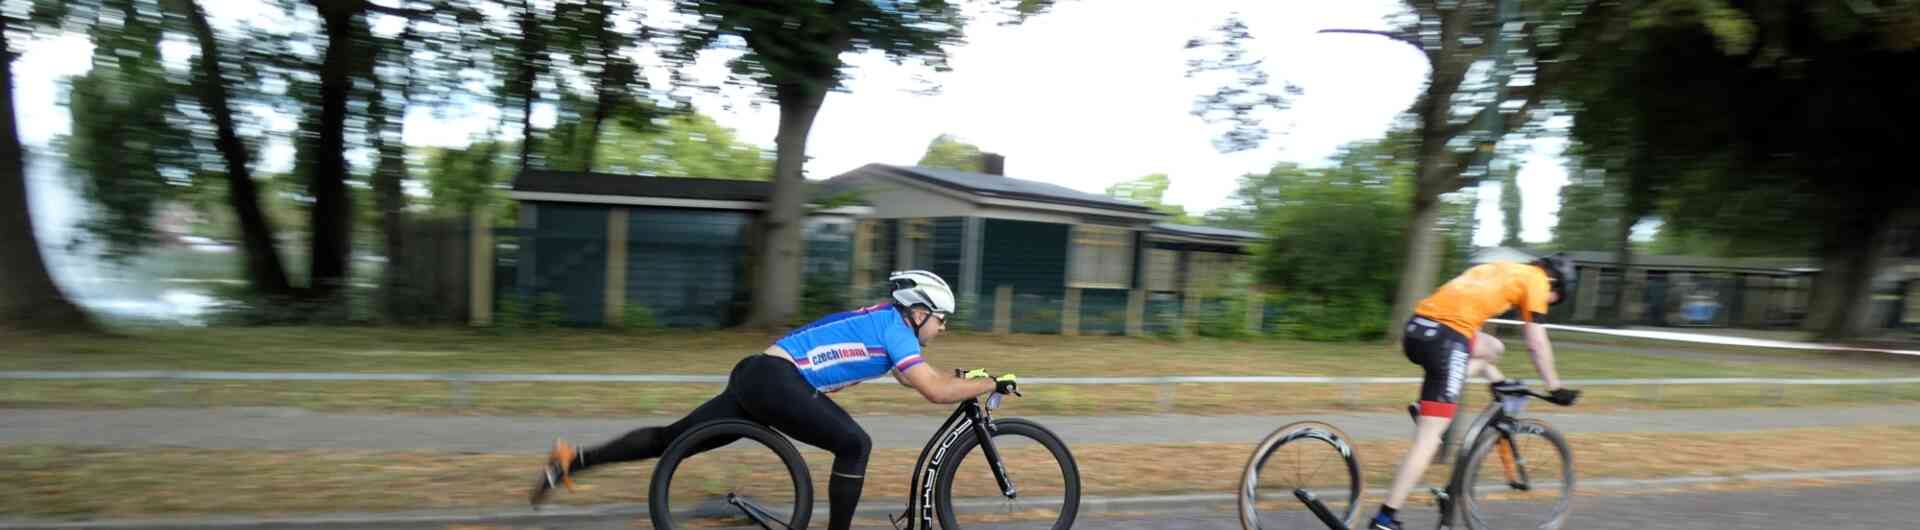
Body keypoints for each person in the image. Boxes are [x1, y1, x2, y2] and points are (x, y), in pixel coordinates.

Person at [527, 270, 1017, 530]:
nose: (943, 328)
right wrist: (990, 383)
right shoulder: (896, 330)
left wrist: (971, 378)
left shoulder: (882, 322)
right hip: (778, 381)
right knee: (855, 445)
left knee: (670, 440)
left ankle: (570, 460)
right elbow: (933, 390)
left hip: (758, 375)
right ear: (919, 312)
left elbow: (920, 380)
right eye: (942, 319)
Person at [1367, 253, 1583, 530]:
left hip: (1417, 329)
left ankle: (1461, 390)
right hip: (1447, 338)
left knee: (1494, 348)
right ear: (1555, 282)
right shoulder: (1538, 281)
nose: (1549, 303)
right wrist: (1555, 387)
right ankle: (1386, 520)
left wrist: (1497, 379)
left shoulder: (1502, 269)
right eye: (1555, 298)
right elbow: (1536, 343)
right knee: (1429, 440)